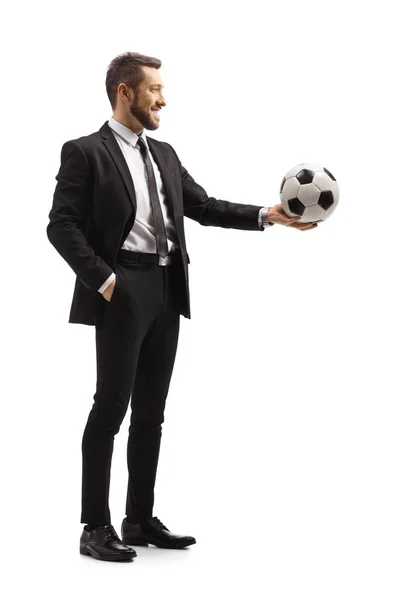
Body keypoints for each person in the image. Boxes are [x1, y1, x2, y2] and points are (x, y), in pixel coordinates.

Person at [46, 51, 317, 562]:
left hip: (168, 289)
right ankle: (95, 526)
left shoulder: (165, 153)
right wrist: (105, 280)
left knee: (152, 413)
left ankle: (139, 517)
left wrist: (268, 216)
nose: (163, 99)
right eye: (154, 90)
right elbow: (60, 225)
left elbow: (204, 206)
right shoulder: (85, 152)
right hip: (121, 287)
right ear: (125, 92)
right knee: (111, 408)